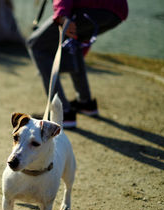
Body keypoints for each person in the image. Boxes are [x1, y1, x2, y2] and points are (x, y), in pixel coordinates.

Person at [27, 0, 128, 128]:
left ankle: (62, 113)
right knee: (75, 40)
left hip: (91, 8)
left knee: (36, 44)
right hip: (116, 11)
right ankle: (85, 103)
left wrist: (62, 15)